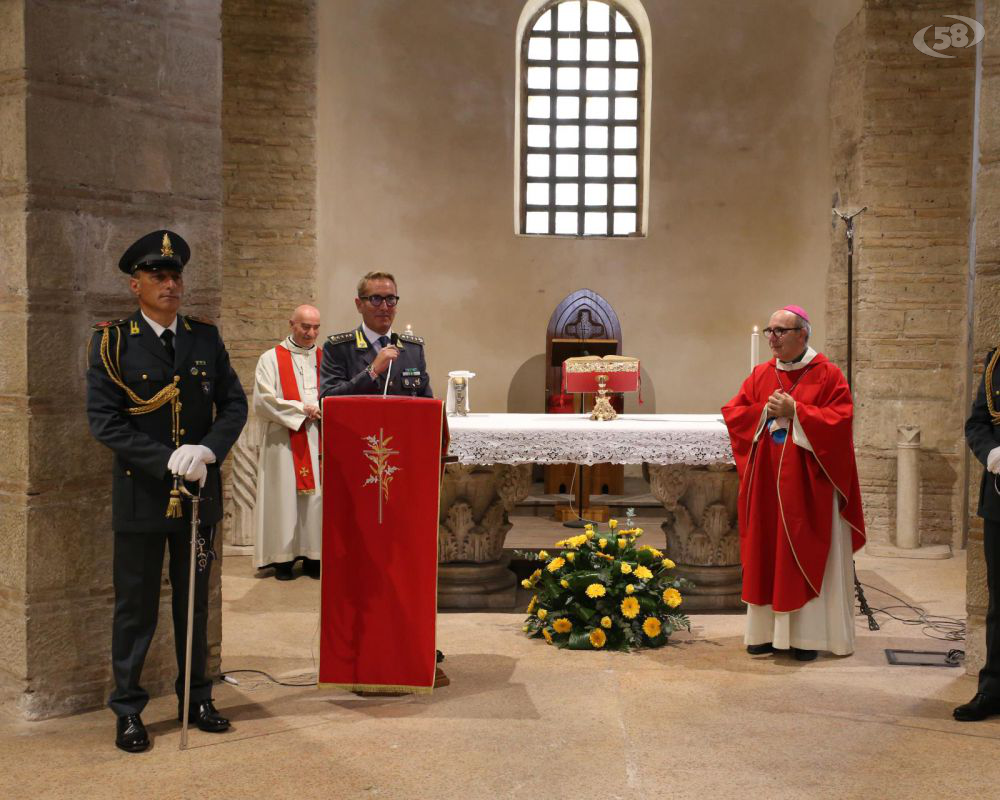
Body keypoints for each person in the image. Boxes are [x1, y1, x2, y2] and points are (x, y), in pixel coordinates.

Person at [86, 230, 247, 752]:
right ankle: (128, 708)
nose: (170, 284)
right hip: (143, 495)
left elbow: (234, 404)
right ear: (136, 285)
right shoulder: (113, 342)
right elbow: (105, 421)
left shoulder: (204, 337)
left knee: (194, 602)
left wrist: (207, 451)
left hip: (198, 493)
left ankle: (197, 697)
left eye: (175, 276)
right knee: (135, 608)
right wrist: (163, 460)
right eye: (158, 276)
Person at [721, 305, 866, 661]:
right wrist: (764, 412)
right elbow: (734, 412)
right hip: (767, 485)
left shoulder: (828, 374)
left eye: (780, 331)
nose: (772, 338)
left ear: (803, 334)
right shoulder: (760, 374)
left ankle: (806, 637)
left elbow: (840, 421)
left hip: (809, 486)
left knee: (804, 548)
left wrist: (797, 412)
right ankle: (763, 634)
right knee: (765, 551)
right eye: (769, 331)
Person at [252, 305, 324, 580]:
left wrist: (322, 409)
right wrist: (301, 410)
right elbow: (263, 400)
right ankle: (282, 559)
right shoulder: (270, 359)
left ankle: (314, 556)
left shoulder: (325, 358)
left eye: (316, 327)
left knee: (316, 500)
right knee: (282, 498)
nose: (311, 333)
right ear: (291, 324)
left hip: (317, 438)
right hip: (283, 441)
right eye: (305, 326)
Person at [954, 347, 1000, 721]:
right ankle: (993, 689)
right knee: (999, 602)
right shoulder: (997, 360)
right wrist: (993, 455)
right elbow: (977, 423)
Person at [320, 271, 432, 399]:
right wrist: (372, 372)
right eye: (376, 299)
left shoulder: (413, 350)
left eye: (390, 299)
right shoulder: (339, 348)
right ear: (359, 305)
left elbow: (427, 401)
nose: (384, 307)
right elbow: (328, 399)